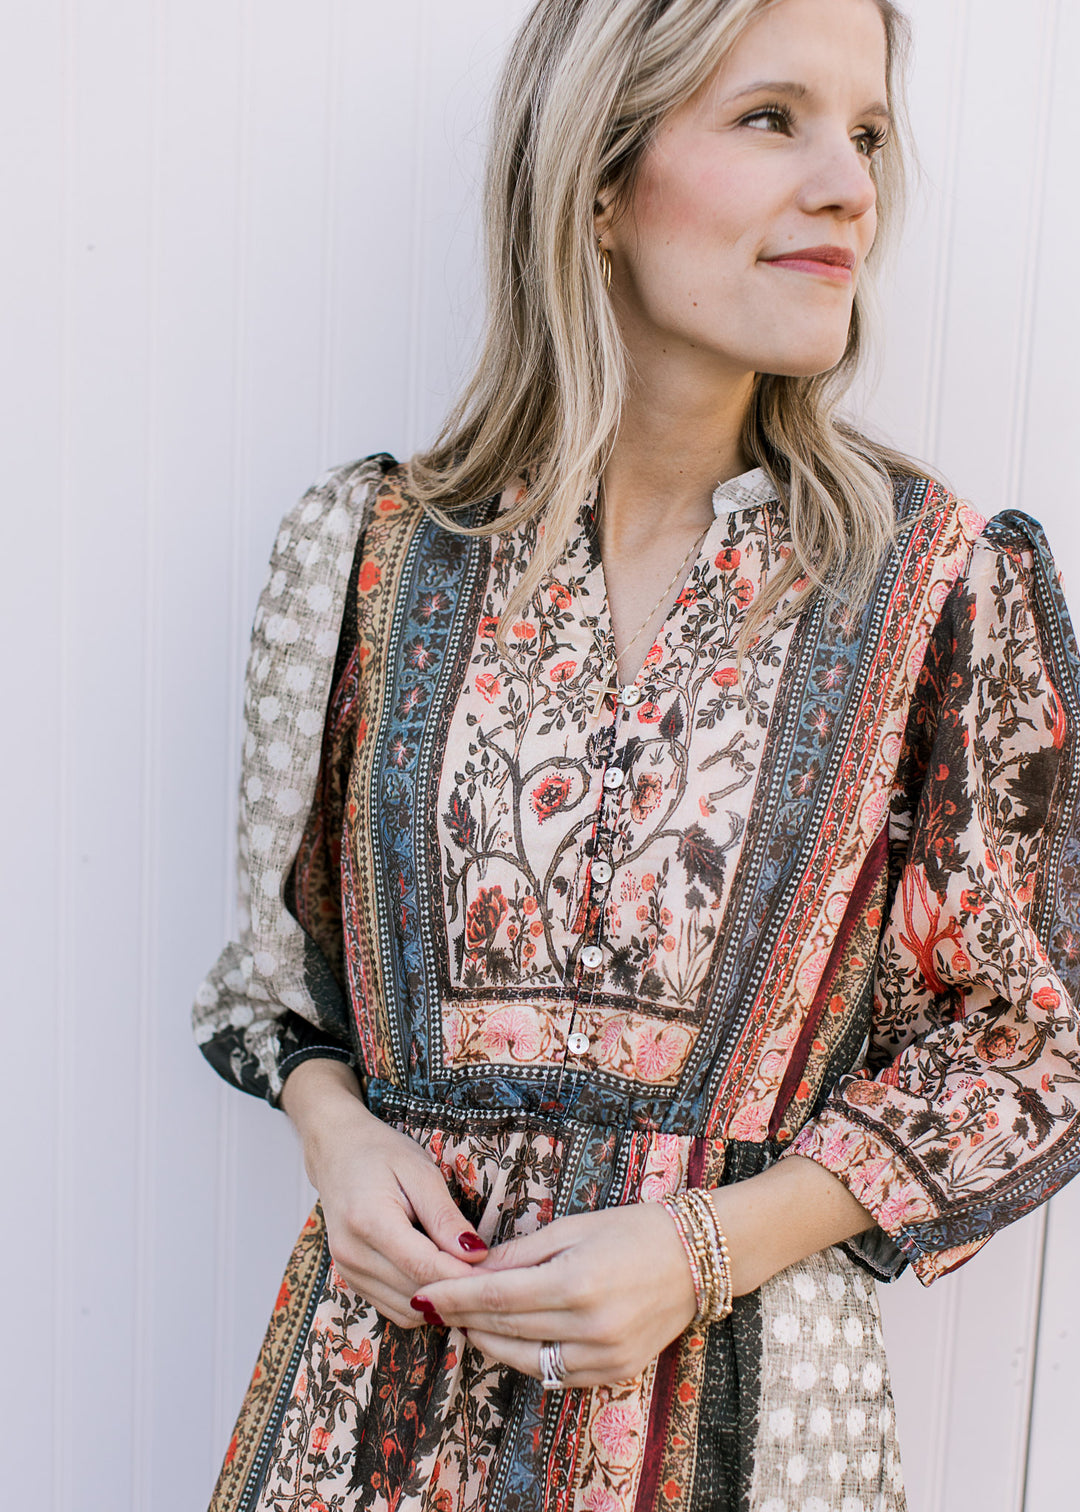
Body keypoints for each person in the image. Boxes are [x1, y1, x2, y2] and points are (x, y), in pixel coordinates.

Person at [193, 0, 1080, 1508]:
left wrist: (702, 1248)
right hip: (381, 1402)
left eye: (867, 135)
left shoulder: (933, 586)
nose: (850, 187)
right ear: (596, 180)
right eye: (772, 119)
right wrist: (336, 1134)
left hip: (748, 1409)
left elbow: (1032, 1037)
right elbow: (271, 986)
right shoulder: (365, 554)